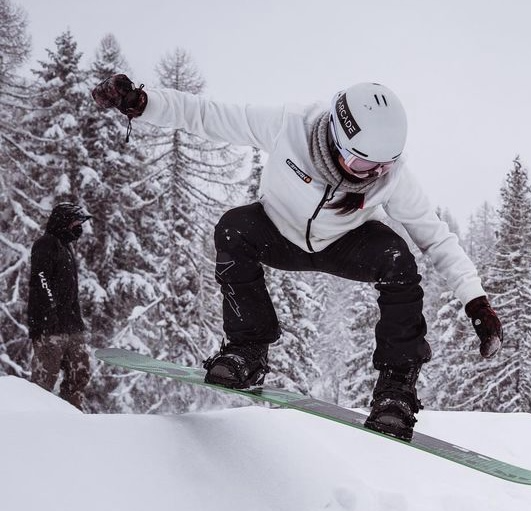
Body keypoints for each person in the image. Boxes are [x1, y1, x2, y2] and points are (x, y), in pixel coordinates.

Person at [91, 75, 503, 440]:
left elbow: (436, 238)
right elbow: (207, 115)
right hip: (278, 233)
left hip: (344, 243)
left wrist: (476, 301)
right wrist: (144, 103)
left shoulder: (389, 176)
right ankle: (247, 351)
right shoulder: (291, 127)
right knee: (233, 228)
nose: (372, 173)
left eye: (383, 165)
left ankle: (396, 389)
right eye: (362, 161)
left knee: (399, 259)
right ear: (338, 137)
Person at [27, 202, 92, 410]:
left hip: (71, 325)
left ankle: (71, 416)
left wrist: (76, 320)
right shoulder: (45, 244)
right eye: (75, 222)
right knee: (44, 380)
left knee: (80, 373)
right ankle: (35, 418)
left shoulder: (66, 247)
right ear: (63, 222)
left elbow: (69, 290)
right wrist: (51, 309)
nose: (78, 227)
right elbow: (41, 280)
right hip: (49, 327)